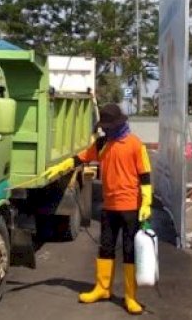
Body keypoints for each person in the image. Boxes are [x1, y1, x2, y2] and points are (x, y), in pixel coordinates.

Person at [46, 103, 152, 315]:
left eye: (108, 126)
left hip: (131, 207)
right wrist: (61, 167)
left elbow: (145, 175)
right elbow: (81, 157)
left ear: (119, 124)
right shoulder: (103, 144)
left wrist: (146, 202)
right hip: (109, 207)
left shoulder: (135, 144)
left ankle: (131, 297)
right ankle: (102, 288)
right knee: (105, 247)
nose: (105, 130)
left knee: (130, 252)